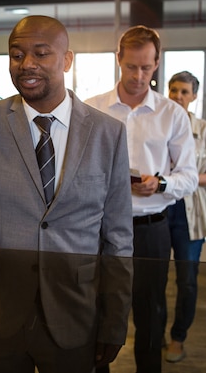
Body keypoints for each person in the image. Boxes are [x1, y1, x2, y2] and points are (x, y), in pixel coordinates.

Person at [0, 15, 134, 373]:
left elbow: (118, 238)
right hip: (1, 314)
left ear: (67, 60)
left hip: (76, 312)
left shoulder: (108, 134)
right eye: (16, 55)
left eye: (41, 53)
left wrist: (115, 321)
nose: (27, 65)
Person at [85, 25, 198, 373]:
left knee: (150, 312)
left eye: (146, 68)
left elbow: (190, 176)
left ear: (157, 64)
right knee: (98, 308)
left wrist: (160, 183)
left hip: (152, 228)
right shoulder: (91, 110)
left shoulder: (172, 114)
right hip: (101, 228)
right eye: (131, 66)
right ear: (118, 60)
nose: (138, 76)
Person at [164, 71, 206, 363]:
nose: (178, 96)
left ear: (194, 96)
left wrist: (185, 180)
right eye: (174, 90)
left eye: (184, 92)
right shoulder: (156, 125)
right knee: (151, 279)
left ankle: (178, 338)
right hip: (158, 209)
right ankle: (153, 335)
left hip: (191, 214)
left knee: (187, 280)